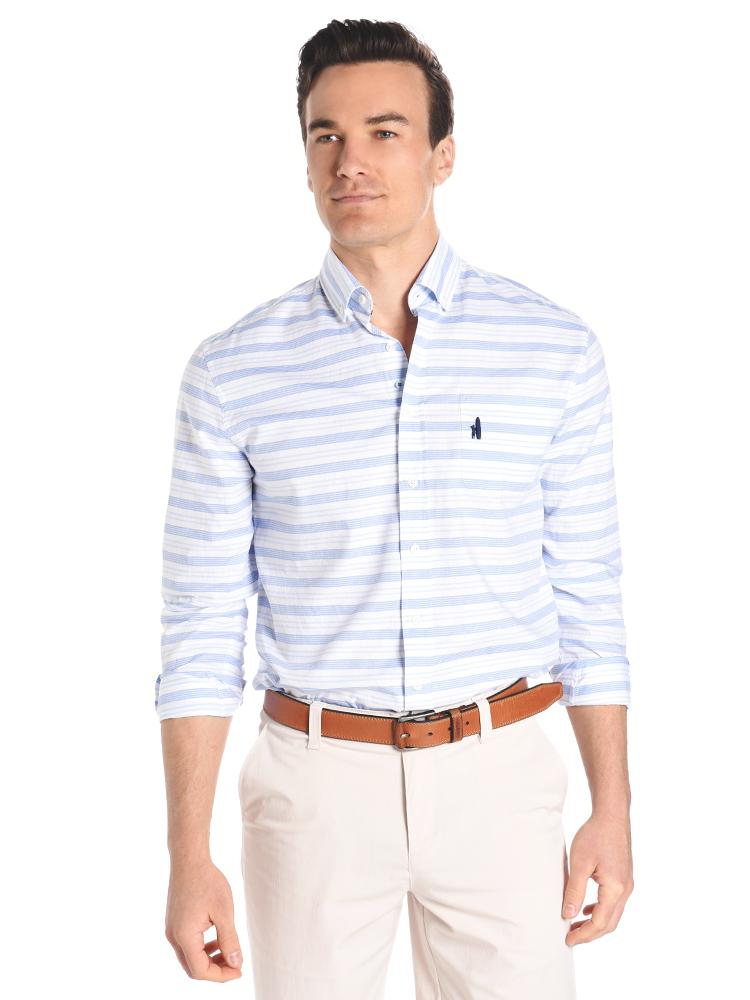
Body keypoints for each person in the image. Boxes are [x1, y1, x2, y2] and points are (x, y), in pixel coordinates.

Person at [157, 17, 634, 999]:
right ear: (304, 158)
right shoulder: (233, 371)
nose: (352, 160)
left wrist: (613, 808)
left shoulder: (553, 351)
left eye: (384, 131)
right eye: (326, 135)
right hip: (314, 785)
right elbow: (200, 625)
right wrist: (188, 855)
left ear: (441, 154)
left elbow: (588, 594)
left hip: (501, 777)